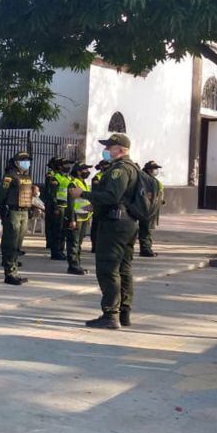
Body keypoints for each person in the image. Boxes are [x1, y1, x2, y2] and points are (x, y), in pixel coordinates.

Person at [85, 133, 141, 329]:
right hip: (127, 222)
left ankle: (110, 314)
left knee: (108, 268)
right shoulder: (133, 168)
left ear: (122, 150)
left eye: (110, 147)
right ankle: (124, 312)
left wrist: (83, 194)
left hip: (115, 225)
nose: (106, 150)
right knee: (124, 268)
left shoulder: (120, 170)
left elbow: (111, 195)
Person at [0, 151, 34, 285]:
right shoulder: (9, 177)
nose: (26, 163)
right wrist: (3, 212)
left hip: (24, 211)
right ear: (16, 162)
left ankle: (14, 270)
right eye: (23, 160)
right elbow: (0, 196)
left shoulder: (26, 176)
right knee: (10, 243)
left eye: (28, 160)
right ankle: (9, 273)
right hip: (13, 212)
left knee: (18, 244)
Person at [64, 162, 93, 276]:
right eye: (84, 170)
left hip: (84, 216)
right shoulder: (73, 184)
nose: (87, 172)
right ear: (78, 171)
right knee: (74, 242)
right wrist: (71, 219)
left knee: (79, 242)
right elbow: (70, 203)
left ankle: (78, 263)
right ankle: (73, 265)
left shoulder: (83, 183)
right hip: (76, 216)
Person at [138, 161, 164, 257]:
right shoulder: (145, 180)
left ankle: (147, 248)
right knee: (146, 230)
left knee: (147, 230)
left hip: (151, 209)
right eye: (154, 169)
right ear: (149, 170)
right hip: (146, 209)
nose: (156, 171)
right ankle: (145, 249)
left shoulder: (152, 180)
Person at [50, 157, 73, 260]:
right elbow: (52, 194)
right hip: (59, 207)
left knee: (64, 230)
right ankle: (55, 252)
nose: (68, 167)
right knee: (57, 230)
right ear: (60, 166)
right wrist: (55, 207)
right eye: (66, 165)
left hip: (66, 206)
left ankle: (61, 250)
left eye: (69, 165)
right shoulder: (56, 178)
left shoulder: (68, 178)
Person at [90, 160, 109, 253]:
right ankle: (95, 246)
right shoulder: (97, 178)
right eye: (106, 165)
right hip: (98, 205)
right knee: (96, 226)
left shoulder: (109, 176)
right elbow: (96, 193)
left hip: (106, 205)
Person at [42, 157, 61, 252]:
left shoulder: (60, 175)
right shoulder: (51, 174)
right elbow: (50, 191)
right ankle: (49, 241)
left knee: (56, 224)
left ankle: (54, 242)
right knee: (50, 223)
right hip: (51, 202)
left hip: (58, 202)